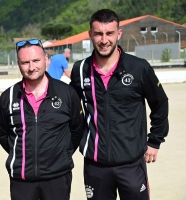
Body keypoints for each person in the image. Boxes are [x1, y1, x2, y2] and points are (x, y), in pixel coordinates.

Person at [70, 9, 169, 200]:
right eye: (98, 33)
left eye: (109, 33)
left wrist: (155, 140)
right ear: (90, 34)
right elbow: (71, 109)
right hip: (95, 164)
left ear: (119, 34)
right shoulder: (80, 70)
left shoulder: (139, 67)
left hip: (131, 163)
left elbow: (160, 103)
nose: (104, 40)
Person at [0, 39, 84, 200]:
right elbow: (2, 134)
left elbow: (77, 129)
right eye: (25, 62)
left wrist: (61, 153)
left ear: (46, 60)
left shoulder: (67, 93)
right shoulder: (8, 97)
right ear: (18, 64)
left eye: (36, 60)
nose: (31, 67)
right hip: (21, 179)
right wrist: (22, 154)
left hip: (57, 177)